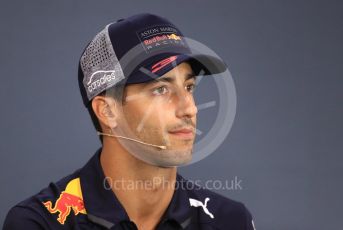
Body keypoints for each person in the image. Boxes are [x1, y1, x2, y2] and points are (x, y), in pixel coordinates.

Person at [3, 13, 256, 230]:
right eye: (160, 89)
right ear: (107, 111)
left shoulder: (230, 221)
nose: (189, 108)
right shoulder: (40, 223)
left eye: (188, 87)